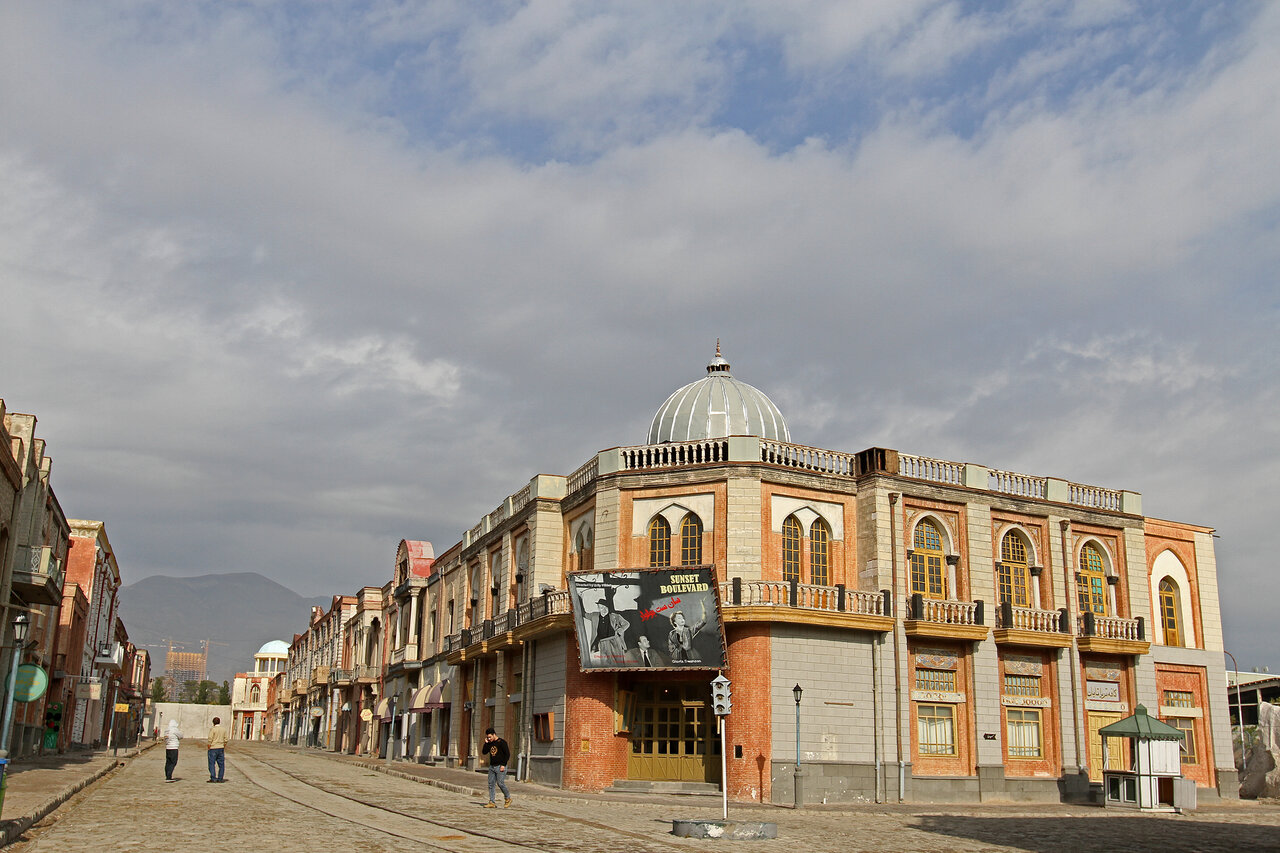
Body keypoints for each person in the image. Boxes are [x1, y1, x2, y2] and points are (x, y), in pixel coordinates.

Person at [482, 727, 512, 808]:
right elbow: (484, 752)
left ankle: (507, 798)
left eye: (490, 737)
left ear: (494, 735)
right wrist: (486, 743)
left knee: (500, 783)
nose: (489, 738)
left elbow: (507, 754)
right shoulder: (489, 743)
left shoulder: (502, 742)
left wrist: (503, 764)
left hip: (500, 766)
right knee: (491, 784)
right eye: (487, 737)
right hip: (492, 766)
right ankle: (492, 802)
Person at [207, 716, 229, 782]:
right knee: (221, 764)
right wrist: (223, 745)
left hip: (213, 747)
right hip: (221, 747)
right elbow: (226, 739)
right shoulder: (223, 729)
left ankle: (213, 778)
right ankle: (220, 778)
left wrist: (209, 746)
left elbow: (210, 738)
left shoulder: (213, 729)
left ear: (213, 722)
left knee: (211, 763)